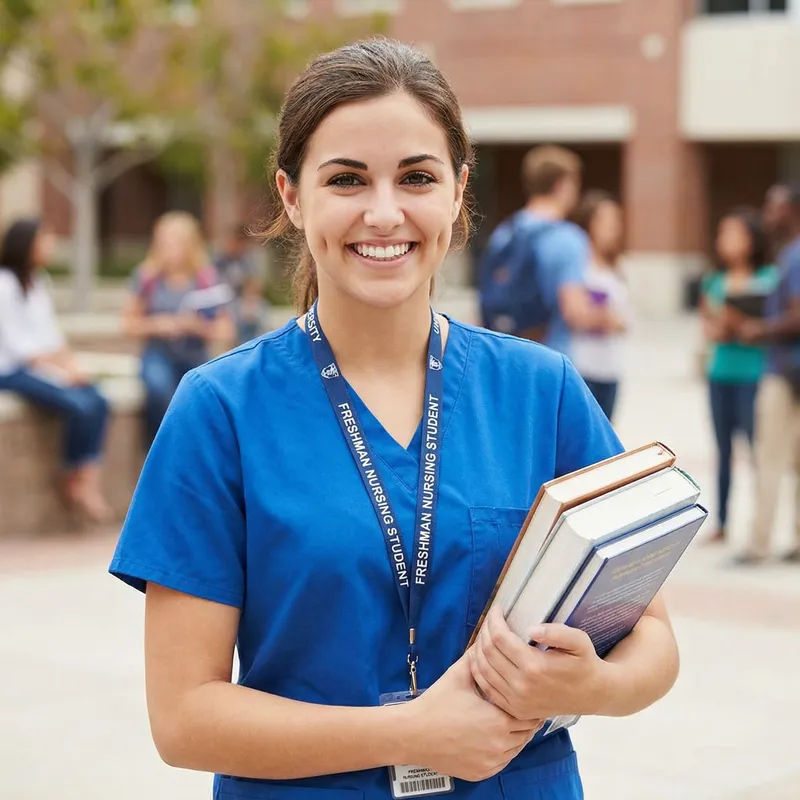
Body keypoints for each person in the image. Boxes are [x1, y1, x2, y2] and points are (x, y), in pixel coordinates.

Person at [109, 38, 681, 799]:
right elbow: (183, 718)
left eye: (416, 176)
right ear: (290, 195)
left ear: (456, 192)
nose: (385, 213)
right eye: (347, 179)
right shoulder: (220, 411)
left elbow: (655, 642)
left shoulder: (540, 390)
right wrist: (410, 733)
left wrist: (589, 688)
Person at [0, 218, 111, 522]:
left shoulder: (39, 281)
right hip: (12, 371)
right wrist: (60, 371)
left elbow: (51, 336)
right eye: (43, 240)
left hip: (43, 366)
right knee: (78, 405)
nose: (48, 247)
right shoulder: (5, 285)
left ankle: (86, 478)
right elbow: (19, 347)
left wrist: (72, 366)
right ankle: (71, 475)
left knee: (99, 399)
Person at [480, 145, 620, 358]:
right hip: (549, 357)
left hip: (506, 355)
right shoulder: (567, 238)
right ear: (561, 185)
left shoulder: (505, 232)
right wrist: (611, 320)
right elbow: (574, 311)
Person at [121, 211, 235, 448]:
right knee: (160, 390)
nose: (169, 250)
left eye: (175, 244)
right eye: (163, 243)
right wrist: (158, 324)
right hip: (158, 353)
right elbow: (128, 324)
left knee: (202, 395)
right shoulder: (147, 277)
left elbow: (227, 330)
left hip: (194, 353)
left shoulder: (206, 278)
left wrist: (198, 327)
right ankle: (159, 450)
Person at [699, 209, 778, 547]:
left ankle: (761, 520)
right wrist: (727, 327)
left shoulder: (770, 278)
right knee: (723, 449)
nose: (726, 241)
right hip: (721, 374)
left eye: (734, 233)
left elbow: (770, 328)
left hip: (754, 375)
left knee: (757, 449)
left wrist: (743, 327)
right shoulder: (713, 282)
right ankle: (723, 521)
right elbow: (709, 329)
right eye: (722, 234)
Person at [736, 186, 800, 563]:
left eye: (772, 207)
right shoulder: (787, 255)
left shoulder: (794, 256)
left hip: (784, 371)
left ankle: (759, 543)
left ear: (791, 210)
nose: (767, 214)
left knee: (769, 456)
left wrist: (757, 330)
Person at [570, 190, 631, 421]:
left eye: (617, 221)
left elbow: (627, 318)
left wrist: (617, 322)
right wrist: (599, 317)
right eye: (606, 221)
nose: (613, 228)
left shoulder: (617, 266)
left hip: (611, 367)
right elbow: (573, 313)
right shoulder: (576, 265)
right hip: (583, 367)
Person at [214, 223, 268, 344]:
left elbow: (254, 282)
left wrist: (250, 299)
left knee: (259, 311)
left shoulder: (247, 259)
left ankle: (255, 344)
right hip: (224, 301)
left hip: (243, 299)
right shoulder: (219, 260)